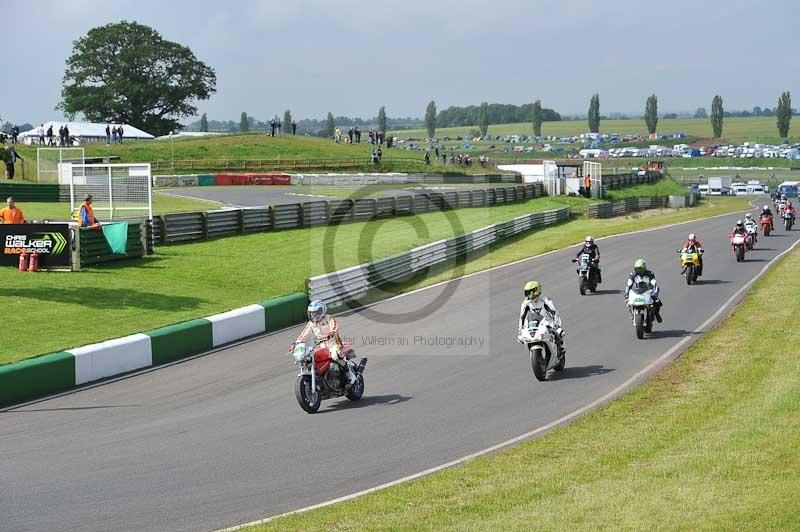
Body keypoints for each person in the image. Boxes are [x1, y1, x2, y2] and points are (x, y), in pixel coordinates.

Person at [293, 300, 357, 385]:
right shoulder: (311, 324)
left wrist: (331, 333)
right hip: (321, 346)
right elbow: (304, 334)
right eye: (311, 313)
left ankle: (350, 374)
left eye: (315, 312)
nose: (313, 314)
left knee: (334, 356)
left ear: (321, 311)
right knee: (310, 358)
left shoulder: (329, 318)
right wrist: (296, 343)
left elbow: (335, 327)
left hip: (334, 344)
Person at [517, 280, 566, 357]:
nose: (529, 294)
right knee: (524, 337)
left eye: (531, 292)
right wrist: (520, 332)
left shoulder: (545, 300)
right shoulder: (525, 304)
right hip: (534, 323)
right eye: (527, 292)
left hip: (547, 322)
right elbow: (522, 318)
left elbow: (554, 312)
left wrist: (557, 326)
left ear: (536, 291)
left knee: (560, 333)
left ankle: (562, 346)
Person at [625, 258, 663, 323]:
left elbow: (654, 283)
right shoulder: (633, 274)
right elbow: (629, 284)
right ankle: (631, 312)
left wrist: (655, 292)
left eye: (640, 269)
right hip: (638, 291)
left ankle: (657, 314)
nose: (639, 271)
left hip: (648, 291)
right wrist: (627, 293)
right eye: (637, 269)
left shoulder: (650, 273)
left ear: (644, 268)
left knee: (658, 302)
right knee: (628, 301)